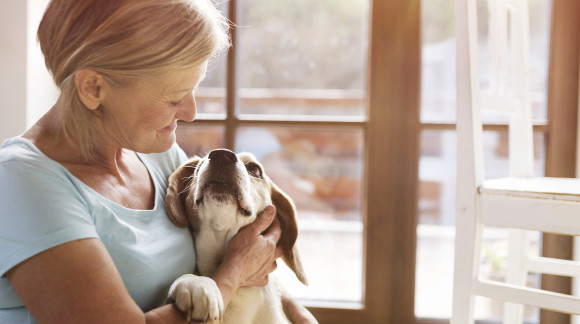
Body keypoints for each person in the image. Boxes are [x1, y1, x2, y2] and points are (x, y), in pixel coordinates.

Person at [0, 0, 317, 323]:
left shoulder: (156, 153)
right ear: (93, 88)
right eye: (174, 98)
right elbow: (236, 266)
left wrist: (296, 313)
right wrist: (230, 276)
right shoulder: (21, 182)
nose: (190, 113)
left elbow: (250, 253)